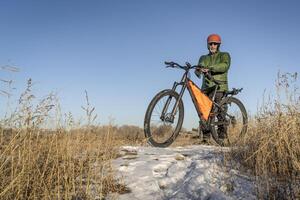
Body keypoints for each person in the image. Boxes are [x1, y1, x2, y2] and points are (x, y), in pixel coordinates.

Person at [195, 33, 231, 143]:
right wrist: (198, 69)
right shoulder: (204, 57)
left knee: (220, 113)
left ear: (218, 45)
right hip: (206, 88)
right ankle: (206, 138)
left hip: (219, 86)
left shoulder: (224, 55)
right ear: (208, 45)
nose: (213, 46)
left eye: (215, 44)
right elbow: (198, 69)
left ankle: (222, 138)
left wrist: (210, 68)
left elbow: (224, 66)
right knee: (204, 113)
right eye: (211, 44)